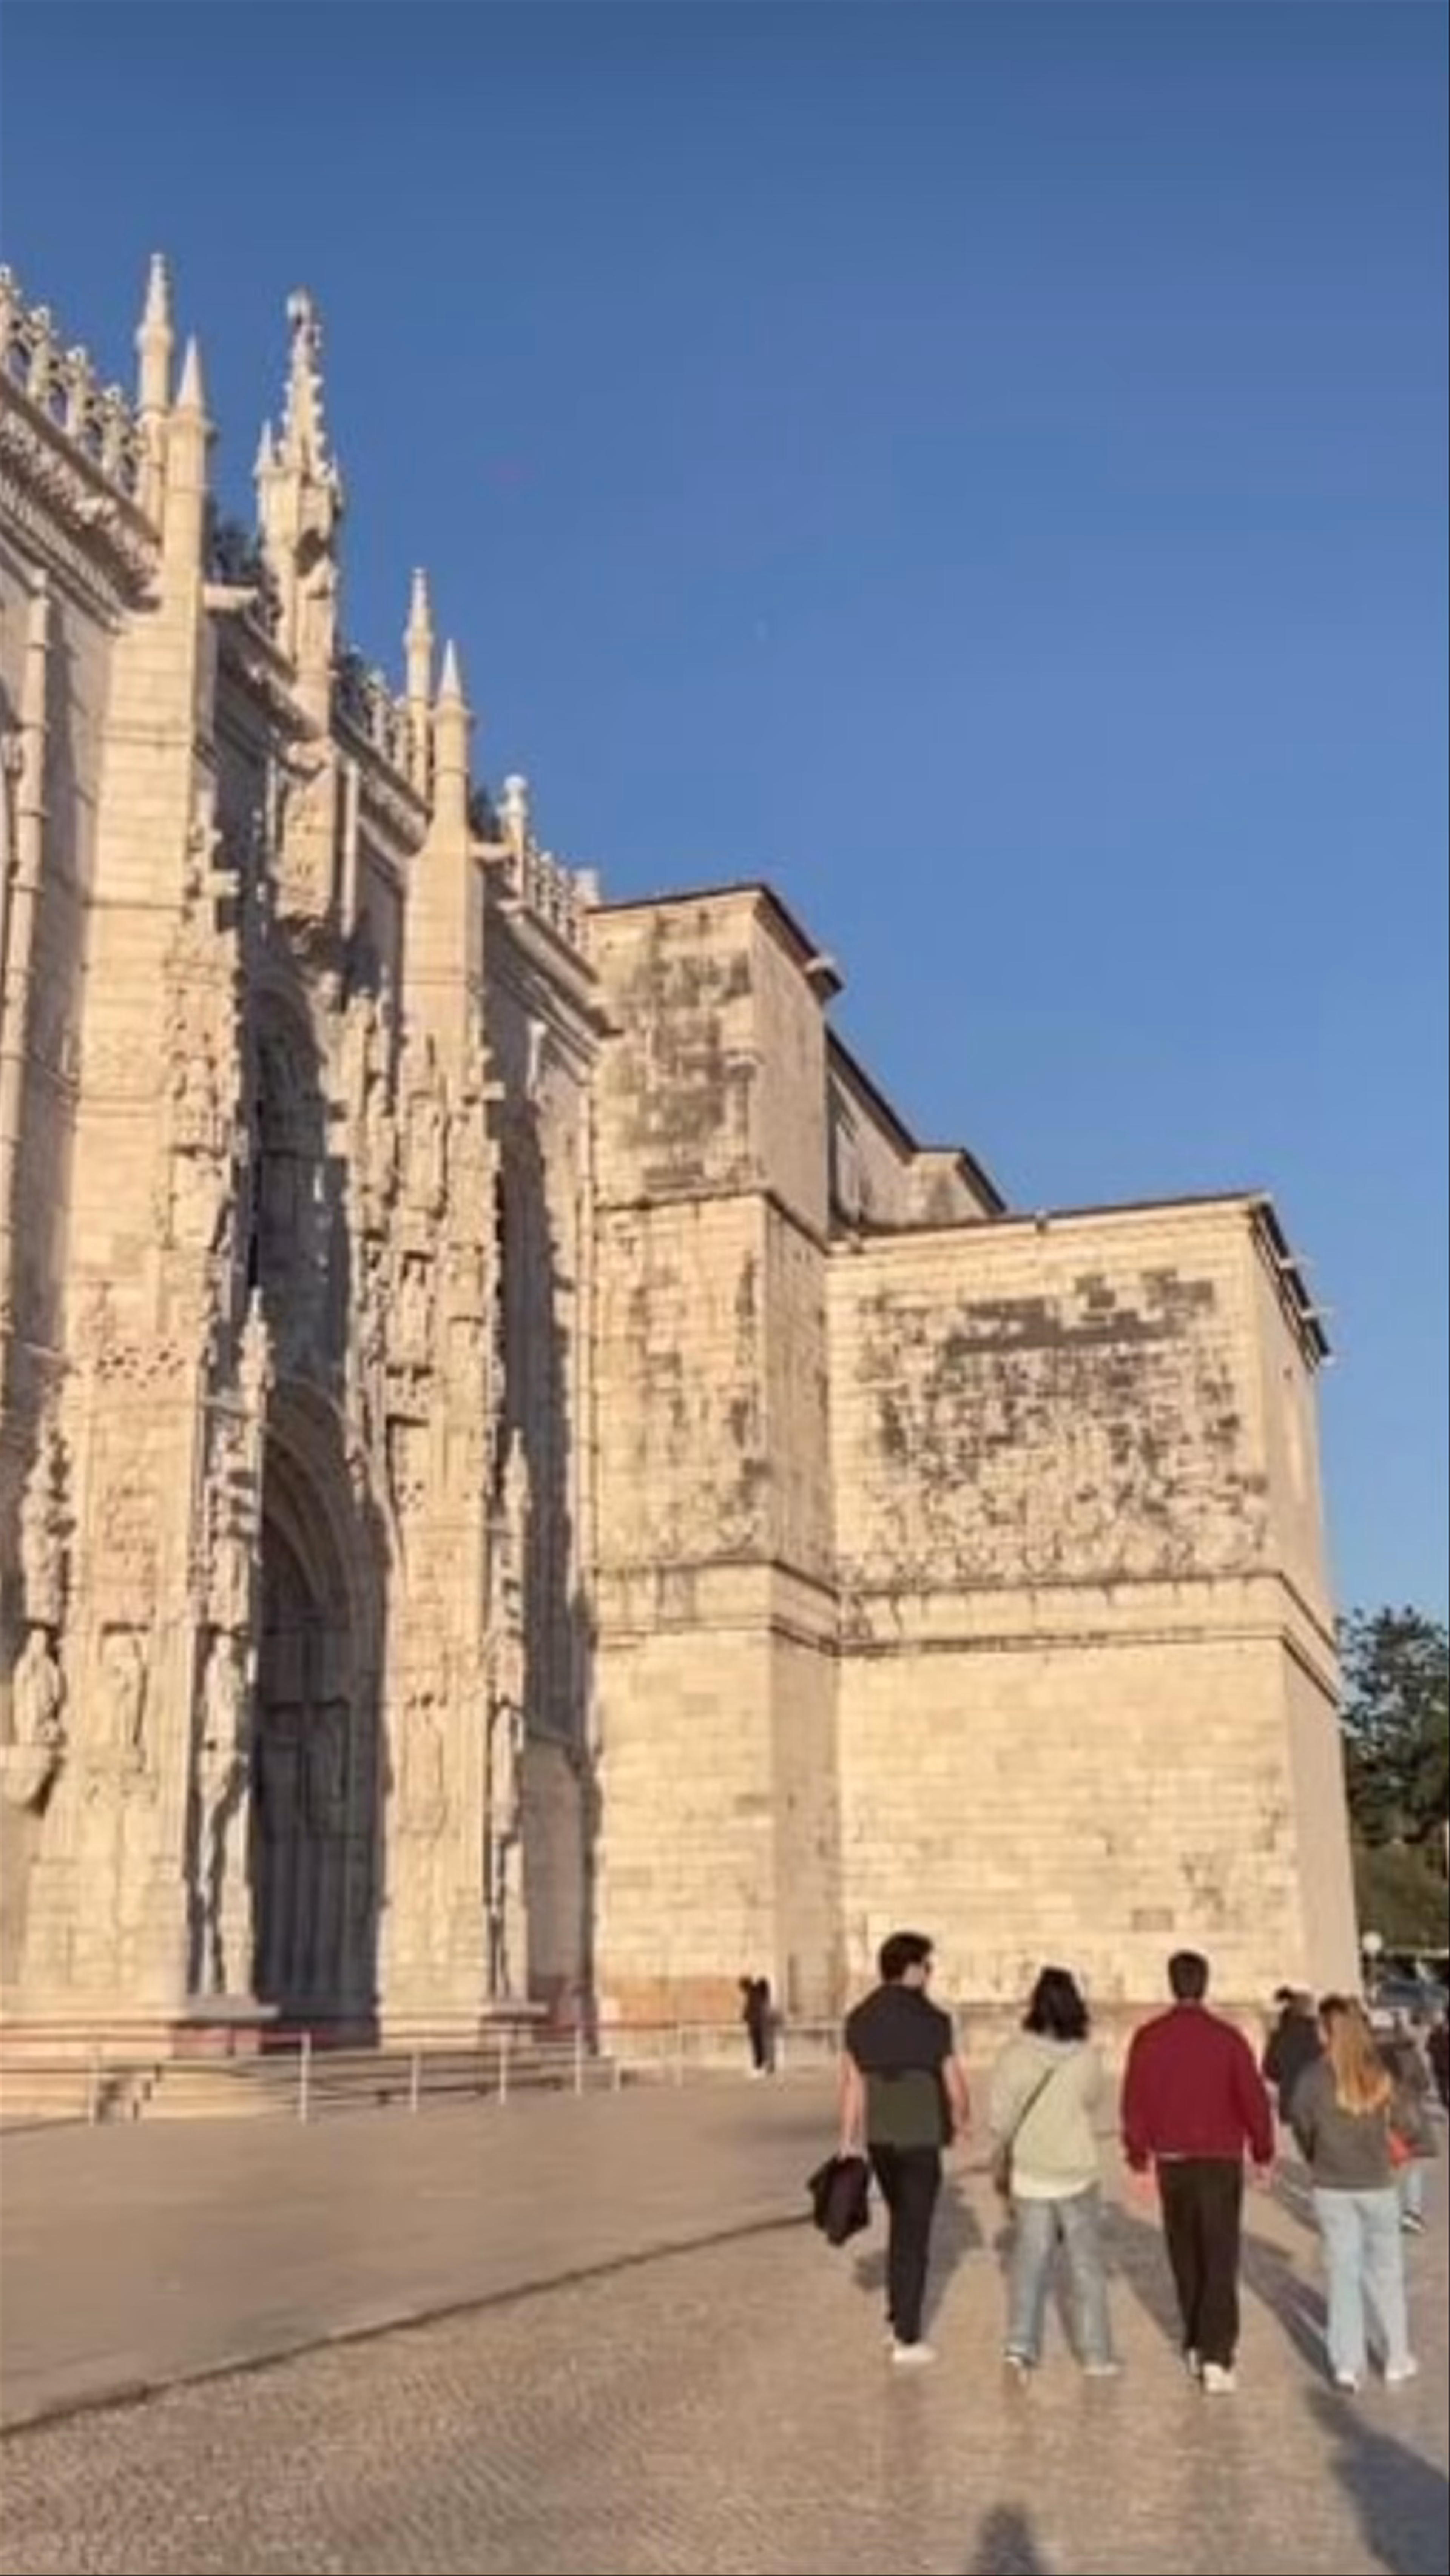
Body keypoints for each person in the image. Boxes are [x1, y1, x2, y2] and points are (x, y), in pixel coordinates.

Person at [1120, 1950, 1274, 2394]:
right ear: (1204, 1984)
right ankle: (1217, 2355)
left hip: (1172, 2162)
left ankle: (1193, 2339)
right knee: (1220, 2257)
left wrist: (1138, 2157)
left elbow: (1135, 2101)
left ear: (1173, 1984)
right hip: (1220, 2160)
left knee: (1185, 2253)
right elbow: (1252, 2099)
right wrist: (1263, 2153)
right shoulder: (1227, 2038)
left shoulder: (1149, 2038)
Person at [839, 1930, 970, 2366]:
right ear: (911, 1968)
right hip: (919, 2136)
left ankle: (896, 2315)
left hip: (880, 2139)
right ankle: (907, 2338)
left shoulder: (859, 2018)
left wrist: (847, 2140)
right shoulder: (933, 2020)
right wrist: (961, 2119)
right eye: (928, 1966)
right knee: (914, 2234)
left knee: (901, 2224)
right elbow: (954, 2082)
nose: (930, 1974)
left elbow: (853, 2086)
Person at [989, 1965, 1118, 2380]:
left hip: (1031, 2172)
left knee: (1029, 2263)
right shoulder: (1086, 2057)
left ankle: (1020, 2347)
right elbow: (1093, 2100)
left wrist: (1009, 2147)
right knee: (1087, 2266)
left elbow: (1001, 2118)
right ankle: (1097, 2355)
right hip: (1076, 2171)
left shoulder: (1013, 2056)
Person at [1292, 1996, 1418, 2393]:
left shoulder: (1312, 2079)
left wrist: (1316, 2154)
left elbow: (1300, 2123)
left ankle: (1348, 2362)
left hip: (1332, 2184)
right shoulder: (1379, 2074)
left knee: (1343, 2274)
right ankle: (1397, 2356)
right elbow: (1408, 2123)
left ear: (1327, 2031)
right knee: (1387, 2273)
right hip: (1378, 2184)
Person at [1377, 2015, 1437, 2235]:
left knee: (1387, 2165)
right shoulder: (1408, 2052)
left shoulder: (1367, 2055)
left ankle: (1387, 2212)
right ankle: (1412, 2212)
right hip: (1410, 2114)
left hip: (1381, 2114)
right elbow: (1424, 2083)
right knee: (1412, 2166)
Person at [1262, 1987, 1321, 2126]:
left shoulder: (1278, 2036)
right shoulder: (1320, 2034)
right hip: (1316, 2109)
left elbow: (1269, 2070)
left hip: (1289, 2108)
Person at [740, 1976, 776, 2077]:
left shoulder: (752, 1995)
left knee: (757, 2047)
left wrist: (745, 2017)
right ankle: (763, 2067)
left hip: (755, 2025)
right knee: (761, 2046)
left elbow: (749, 2010)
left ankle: (759, 2068)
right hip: (759, 2024)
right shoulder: (758, 1994)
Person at [1428, 2013, 1450, 2115]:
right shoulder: (1438, 2030)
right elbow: (1428, 2047)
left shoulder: (1438, 2029)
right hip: (1442, 2066)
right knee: (1443, 2092)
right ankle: (1445, 2106)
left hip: (1442, 2065)